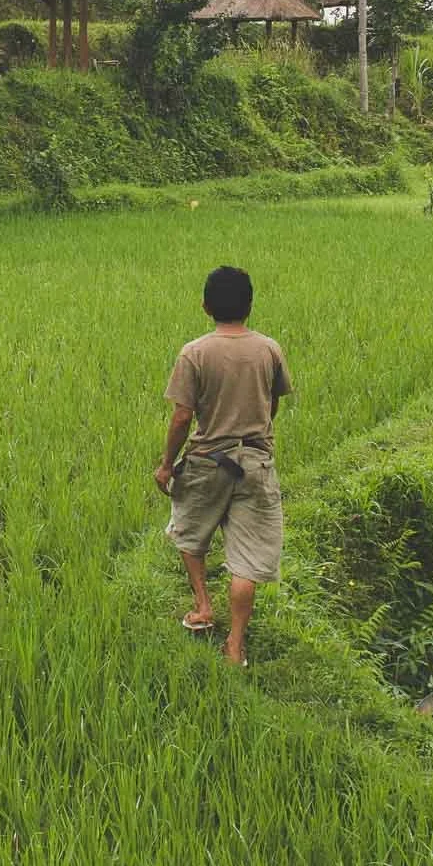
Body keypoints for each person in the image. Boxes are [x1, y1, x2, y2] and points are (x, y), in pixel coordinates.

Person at [154, 264, 292, 665]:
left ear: (205, 306)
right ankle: (235, 644)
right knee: (247, 560)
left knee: (188, 530)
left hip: (207, 462)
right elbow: (273, 403)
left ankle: (202, 606)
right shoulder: (269, 348)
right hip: (256, 462)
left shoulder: (194, 352)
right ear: (250, 306)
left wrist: (166, 465)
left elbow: (182, 417)